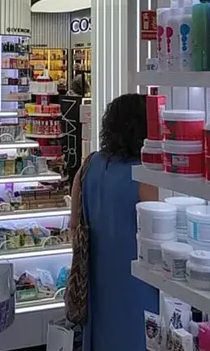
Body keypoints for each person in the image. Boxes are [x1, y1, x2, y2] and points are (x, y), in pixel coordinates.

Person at [71, 93, 159, 350]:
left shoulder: (89, 165)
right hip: (137, 284)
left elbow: (74, 226)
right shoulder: (145, 176)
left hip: (96, 279)